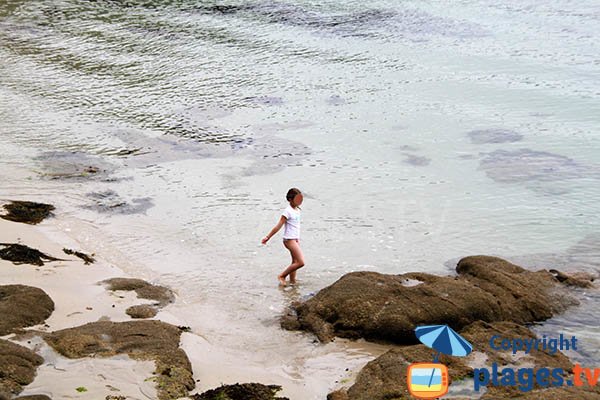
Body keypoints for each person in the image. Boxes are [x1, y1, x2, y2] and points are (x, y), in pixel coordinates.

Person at [261, 188, 304, 286]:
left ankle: (292, 282)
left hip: (295, 239)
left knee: (295, 261)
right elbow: (278, 226)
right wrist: (268, 237)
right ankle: (282, 276)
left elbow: (295, 226)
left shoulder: (297, 210)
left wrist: (297, 238)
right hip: (289, 240)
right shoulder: (287, 211)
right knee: (301, 262)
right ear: (290, 199)